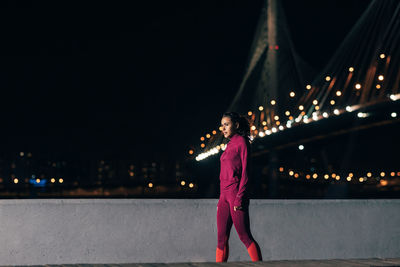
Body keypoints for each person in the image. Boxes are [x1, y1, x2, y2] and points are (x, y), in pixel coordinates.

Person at [216, 111, 262, 262]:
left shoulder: (242, 142)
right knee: (221, 238)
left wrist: (239, 199)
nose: (223, 128)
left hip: (236, 194)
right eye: (222, 125)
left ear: (236, 125)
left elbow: (246, 173)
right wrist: (221, 199)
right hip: (223, 196)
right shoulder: (229, 144)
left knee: (245, 236)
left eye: (226, 125)